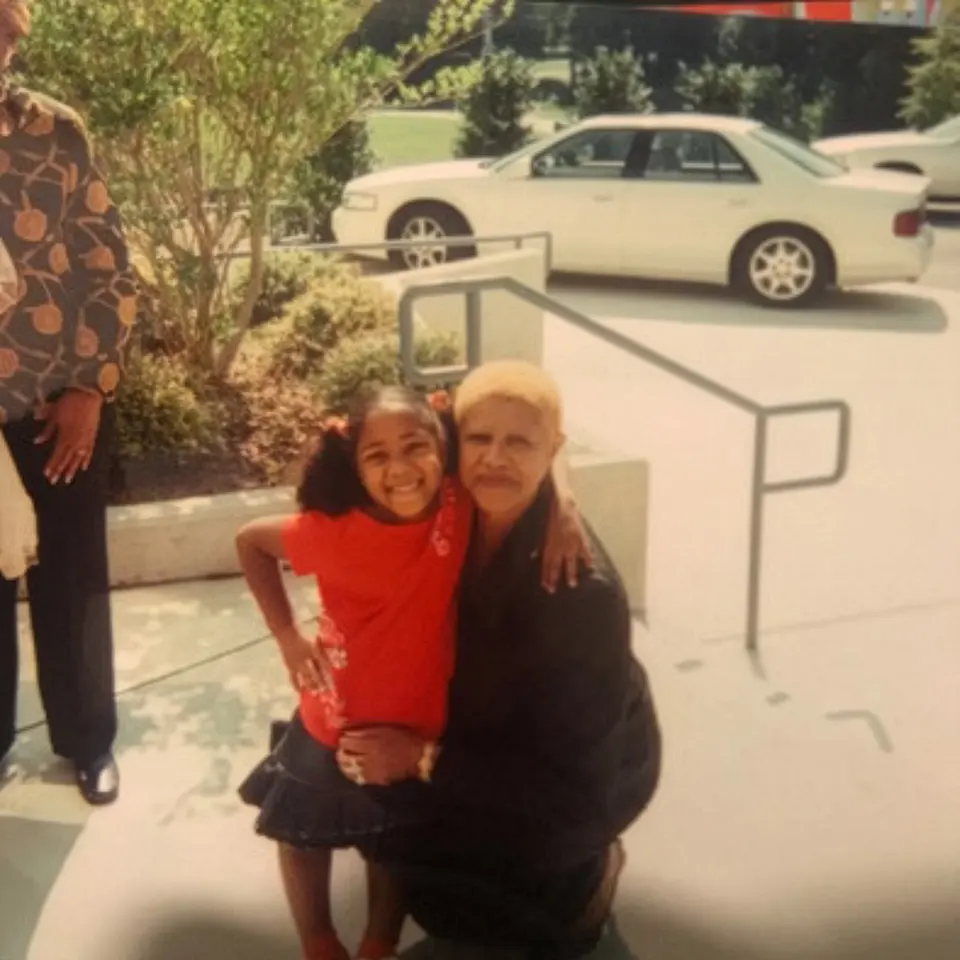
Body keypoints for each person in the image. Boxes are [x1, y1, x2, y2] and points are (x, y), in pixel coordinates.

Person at [235, 384, 590, 960]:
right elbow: (250, 543)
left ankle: (380, 942)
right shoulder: (333, 531)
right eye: (377, 456)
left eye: (415, 447)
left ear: (441, 447)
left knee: (394, 843)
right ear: (355, 465)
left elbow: (546, 439)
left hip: (416, 728)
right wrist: (287, 638)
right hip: (335, 719)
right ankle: (319, 942)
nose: (400, 469)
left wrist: (565, 505)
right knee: (301, 830)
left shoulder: (456, 500)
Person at [339, 361, 663, 959]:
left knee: (511, 918)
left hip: (575, 778)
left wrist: (422, 757)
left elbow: (574, 788)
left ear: (552, 449)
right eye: (479, 440)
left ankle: (590, 883)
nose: (494, 458)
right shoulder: (448, 497)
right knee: (365, 772)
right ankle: (382, 932)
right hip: (483, 726)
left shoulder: (579, 588)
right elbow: (375, 447)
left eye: (519, 444)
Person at [0, 0, 137, 804]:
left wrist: (89, 386)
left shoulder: (55, 131)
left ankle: (87, 742)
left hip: (57, 405)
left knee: (73, 577)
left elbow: (110, 266)